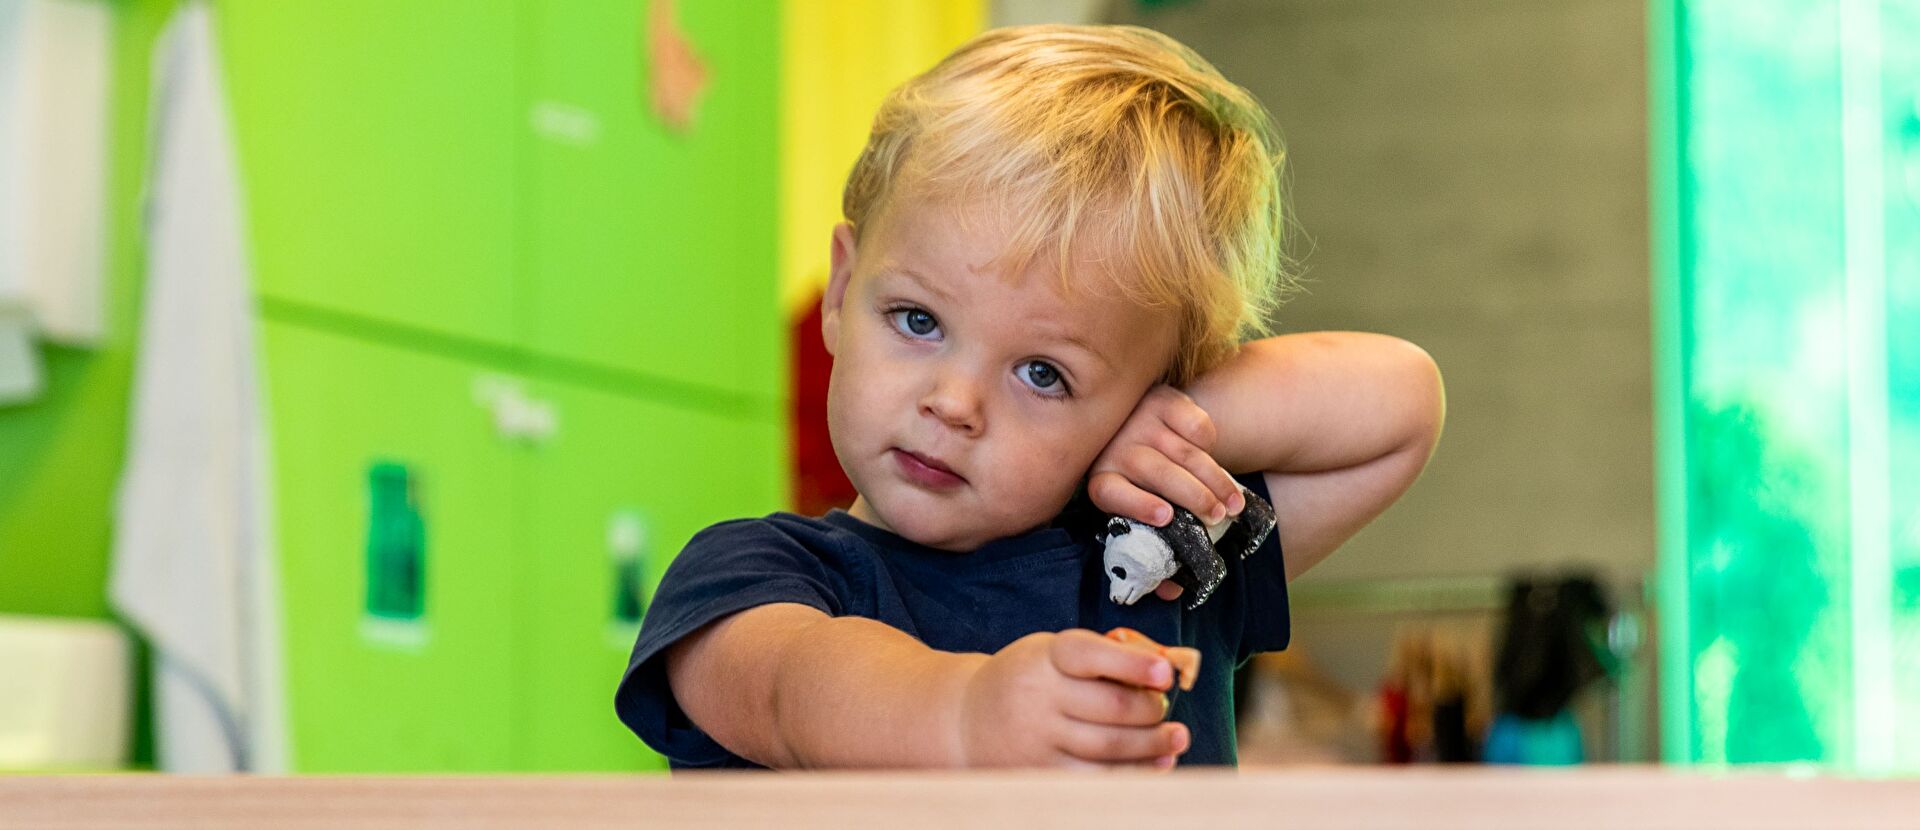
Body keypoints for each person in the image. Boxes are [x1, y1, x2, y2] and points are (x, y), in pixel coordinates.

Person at [615, 24, 1445, 770]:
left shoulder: (1160, 553)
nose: (954, 401)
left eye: (1043, 373)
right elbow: (788, 690)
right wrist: (969, 717)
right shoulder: (751, 575)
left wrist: (1174, 427)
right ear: (840, 292)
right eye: (917, 319)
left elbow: (1399, 402)